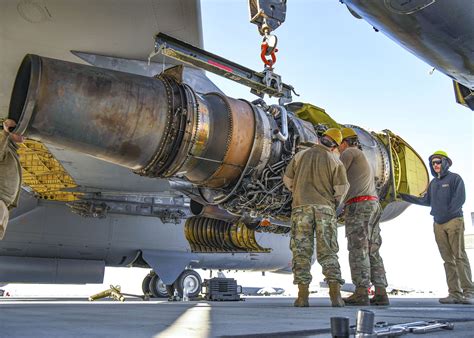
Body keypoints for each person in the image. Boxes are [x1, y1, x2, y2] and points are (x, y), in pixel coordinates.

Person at [283, 128, 349, 307]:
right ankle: (335, 296)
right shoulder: (334, 160)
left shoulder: (300, 156)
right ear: (335, 146)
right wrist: (334, 203)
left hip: (300, 208)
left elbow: (287, 180)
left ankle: (302, 297)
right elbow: (342, 189)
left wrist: (298, 190)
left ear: (321, 139)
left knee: (301, 252)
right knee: (328, 251)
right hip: (324, 209)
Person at [400, 150, 474, 305]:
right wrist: (404, 196)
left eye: (438, 162)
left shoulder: (455, 179)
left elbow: (460, 199)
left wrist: (448, 213)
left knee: (459, 256)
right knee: (447, 260)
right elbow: (426, 201)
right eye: (433, 163)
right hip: (438, 224)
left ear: (445, 162)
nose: (436, 165)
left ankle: (469, 292)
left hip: (454, 221)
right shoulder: (434, 183)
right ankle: (455, 293)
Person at [338, 127, 389, 306]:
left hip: (359, 205)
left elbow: (336, 173)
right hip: (372, 204)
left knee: (358, 248)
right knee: (372, 249)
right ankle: (381, 292)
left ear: (344, 142)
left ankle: (361, 292)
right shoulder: (361, 155)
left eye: (338, 145)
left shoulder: (349, 152)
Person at [0, 118, 23, 240]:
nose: (24, 136)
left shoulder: (6, 149)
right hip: (4, 203)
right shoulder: (9, 152)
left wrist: (5, 132)